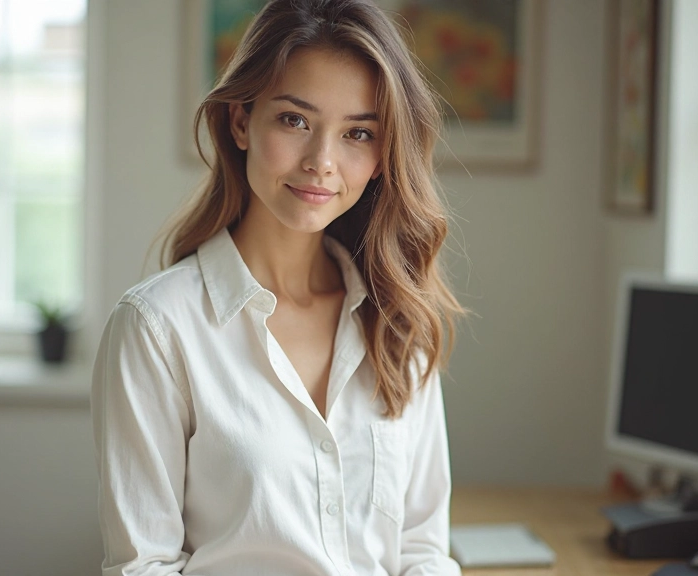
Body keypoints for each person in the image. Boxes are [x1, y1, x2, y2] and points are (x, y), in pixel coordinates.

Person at [91, 1, 464, 574]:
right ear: (241, 121)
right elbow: (142, 566)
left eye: (358, 133)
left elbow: (421, 549)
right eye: (295, 120)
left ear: (381, 156)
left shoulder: (398, 322)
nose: (322, 162)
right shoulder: (157, 329)